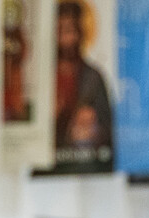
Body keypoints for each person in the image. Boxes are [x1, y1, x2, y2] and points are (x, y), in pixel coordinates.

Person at [52, 0, 113, 170]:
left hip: (83, 163)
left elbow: (108, 130)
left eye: (69, 31)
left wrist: (92, 127)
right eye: (59, 31)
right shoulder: (44, 77)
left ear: (80, 33)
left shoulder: (93, 77)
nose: (64, 39)